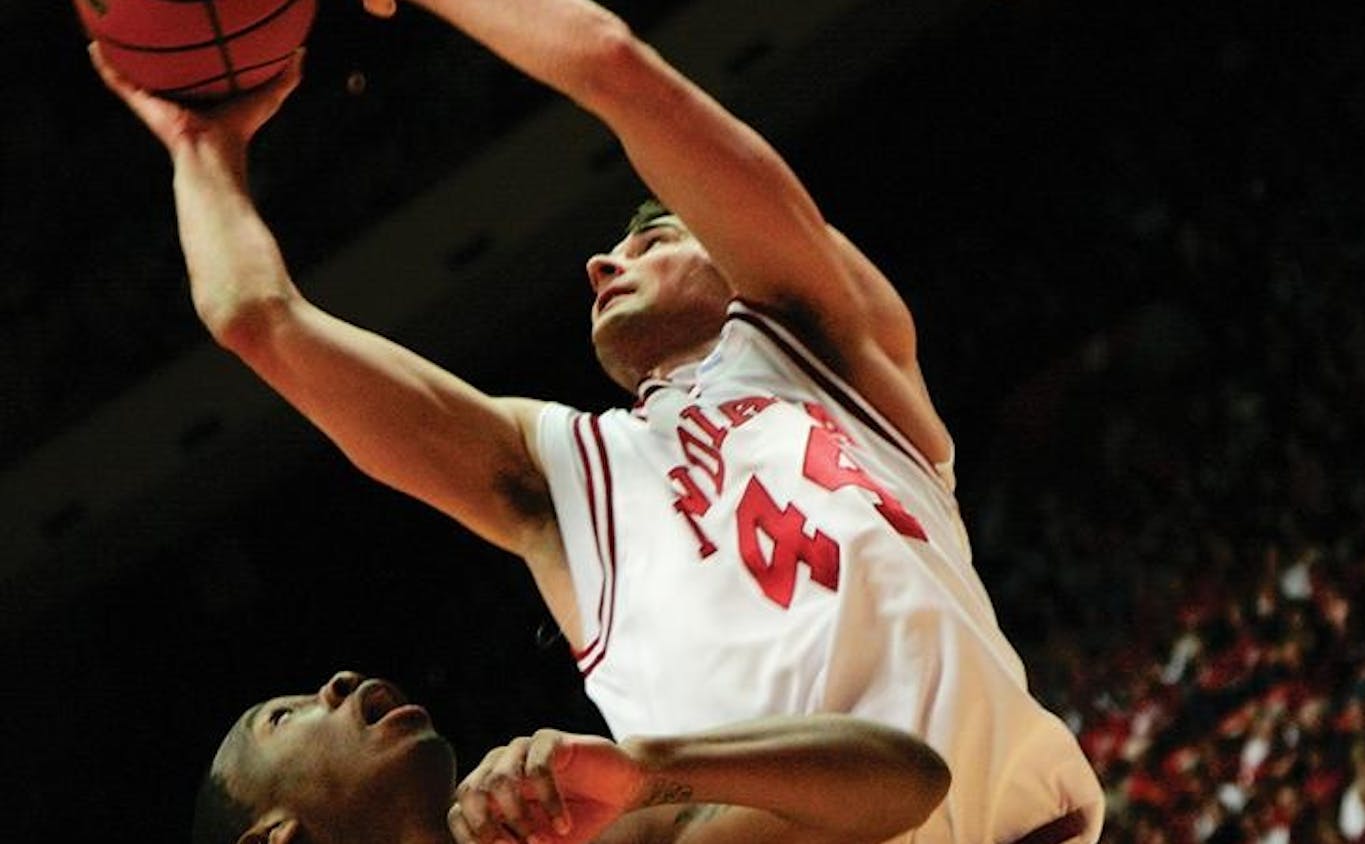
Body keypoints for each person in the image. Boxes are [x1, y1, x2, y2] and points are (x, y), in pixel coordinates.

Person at [90, 0, 1105, 840]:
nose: (600, 262)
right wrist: (199, 149)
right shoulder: (564, 475)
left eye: (650, 233)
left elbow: (612, 63)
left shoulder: (829, 344)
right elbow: (258, 321)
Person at [198, 669, 950, 844]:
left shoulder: (575, 829)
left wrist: (650, 769)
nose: (334, 683)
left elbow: (911, 782)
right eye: (284, 717)